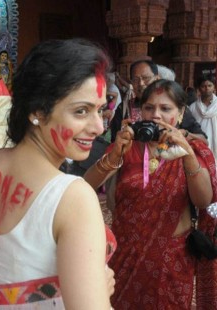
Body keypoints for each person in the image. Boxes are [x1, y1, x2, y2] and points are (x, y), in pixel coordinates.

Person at [0, 39, 116, 309]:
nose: (98, 127)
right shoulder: (73, 197)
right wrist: (93, 287)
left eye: (100, 110)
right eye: (81, 111)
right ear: (37, 111)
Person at [84, 79, 217, 309]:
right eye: (149, 107)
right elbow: (86, 185)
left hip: (170, 261)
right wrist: (115, 154)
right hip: (126, 255)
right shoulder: (127, 145)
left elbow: (203, 200)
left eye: (166, 109)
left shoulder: (193, 150)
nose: (156, 115)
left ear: (181, 112)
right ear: (140, 110)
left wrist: (187, 156)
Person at [110, 60, 207, 143]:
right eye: (135, 80)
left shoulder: (175, 108)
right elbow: (114, 141)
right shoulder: (124, 108)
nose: (141, 83)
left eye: (146, 78)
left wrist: (184, 135)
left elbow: (203, 140)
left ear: (157, 78)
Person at [189, 75, 217, 162]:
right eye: (203, 86)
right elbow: (190, 127)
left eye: (209, 85)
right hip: (200, 143)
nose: (207, 88)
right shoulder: (193, 107)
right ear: (199, 89)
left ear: (214, 88)